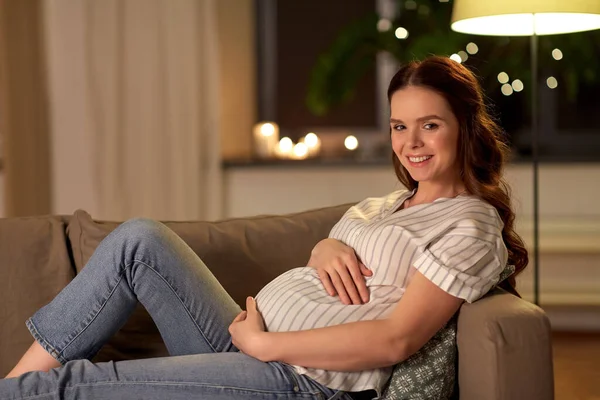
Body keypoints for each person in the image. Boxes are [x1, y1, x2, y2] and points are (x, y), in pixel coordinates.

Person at [1, 55, 527, 400]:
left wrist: (266, 347)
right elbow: (339, 250)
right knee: (139, 239)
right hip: (246, 341)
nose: (411, 142)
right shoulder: (388, 204)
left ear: (465, 126)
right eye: (398, 126)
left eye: (429, 125)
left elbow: (396, 339)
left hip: (298, 381)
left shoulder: (470, 225)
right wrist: (324, 247)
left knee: (71, 386)